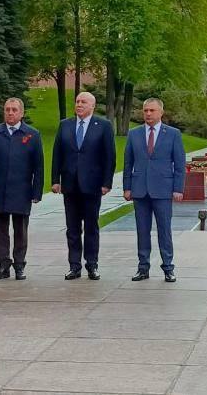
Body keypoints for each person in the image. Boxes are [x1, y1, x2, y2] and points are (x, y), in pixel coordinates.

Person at [50, 92, 116, 280]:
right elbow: (57, 154)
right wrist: (55, 180)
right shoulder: (65, 125)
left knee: (91, 226)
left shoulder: (103, 126)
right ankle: (74, 265)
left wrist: (107, 182)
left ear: (92, 106)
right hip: (70, 184)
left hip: (92, 185)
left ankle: (92, 265)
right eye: (77, 101)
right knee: (72, 228)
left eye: (83, 102)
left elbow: (109, 156)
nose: (79, 104)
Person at [123, 97, 186, 283]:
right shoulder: (134, 134)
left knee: (164, 230)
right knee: (142, 230)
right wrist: (127, 187)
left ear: (161, 112)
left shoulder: (173, 134)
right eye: (145, 111)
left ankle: (168, 267)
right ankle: (143, 267)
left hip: (163, 190)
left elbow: (180, 164)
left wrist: (178, 188)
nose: (148, 114)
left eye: (152, 110)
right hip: (140, 190)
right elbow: (128, 163)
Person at [0, 98, 43, 281]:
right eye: (7, 109)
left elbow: (38, 167)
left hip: (21, 190)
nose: (10, 113)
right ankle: (3, 265)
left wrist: (36, 192)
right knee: (0, 230)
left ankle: (19, 265)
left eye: (14, 110)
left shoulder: (32, 135)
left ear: (21, 113)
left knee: (20, 230)